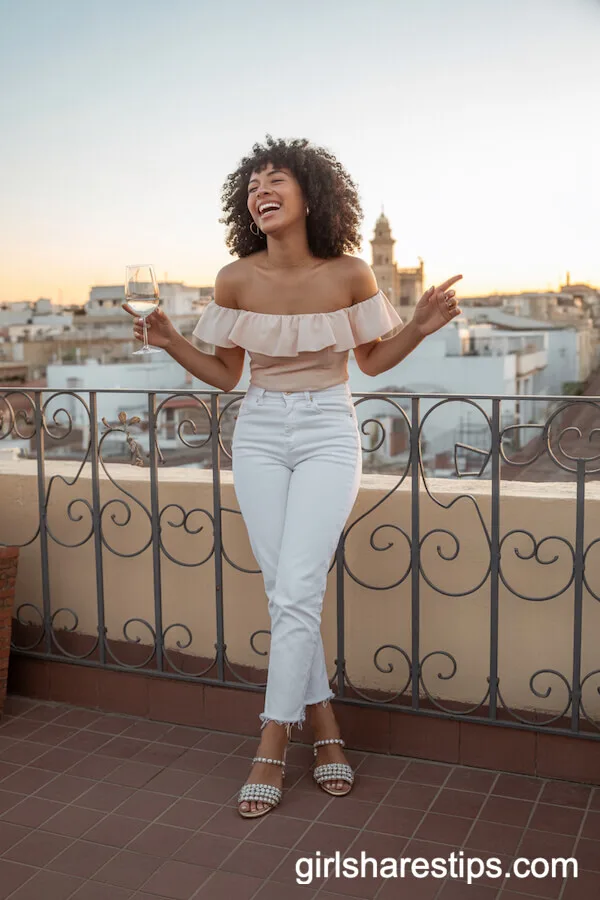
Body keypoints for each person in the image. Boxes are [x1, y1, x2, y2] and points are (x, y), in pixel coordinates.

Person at [124, 135, 462, 819]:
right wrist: (170, 342)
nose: (261, 189)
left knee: (299, 585)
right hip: (258, 432)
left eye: (275, 178)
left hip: (327, 433)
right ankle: (327, 729)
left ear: (311, 195)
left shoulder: (350, 273)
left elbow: (370, 361)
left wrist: (421, 326)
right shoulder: (234, 279)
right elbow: (225, 374)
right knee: (288, 590)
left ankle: (272, 741)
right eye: (252, 183)